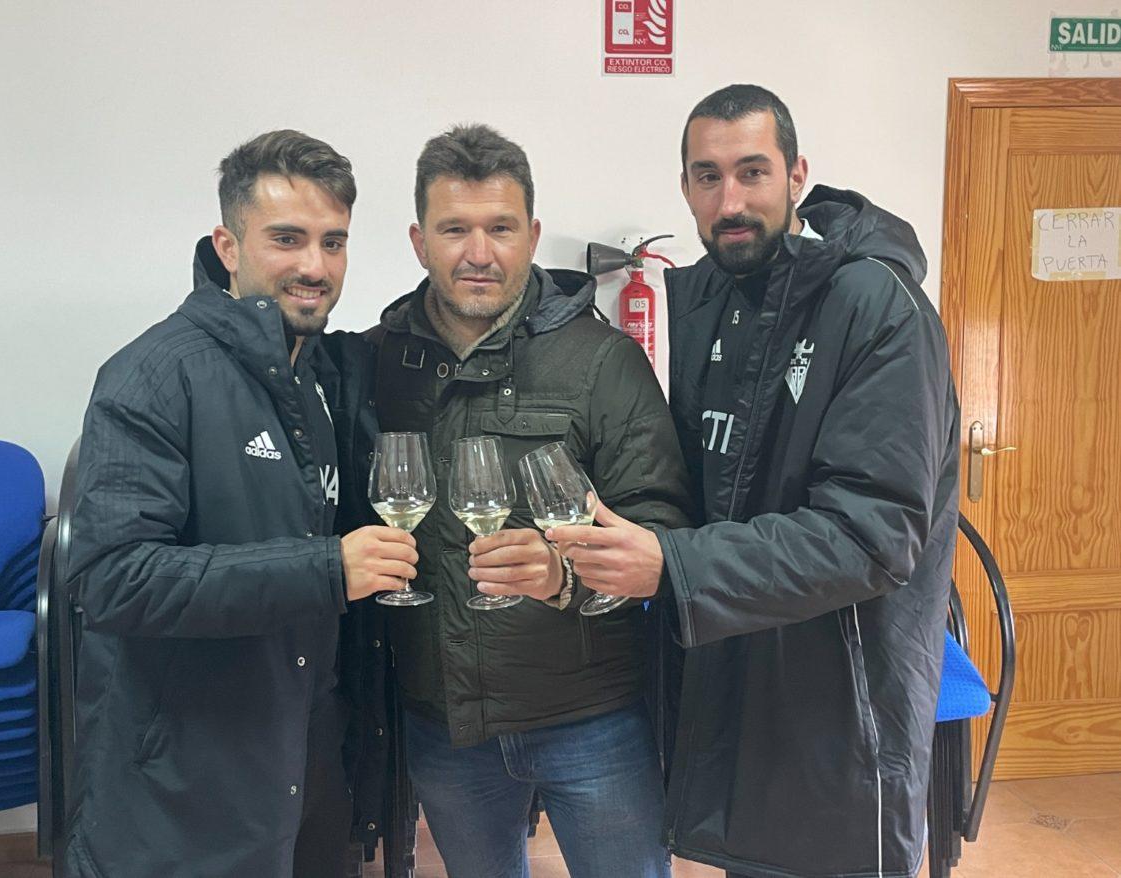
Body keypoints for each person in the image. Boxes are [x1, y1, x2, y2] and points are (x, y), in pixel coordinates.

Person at [547, 85, 961, 878]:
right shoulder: (700, 298)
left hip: (842, 713)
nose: (729, 200)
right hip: (738, 684)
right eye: (707, 176)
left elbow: (872, 537)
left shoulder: (877, 305)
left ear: (797, 174)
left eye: (752, 172)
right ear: (684, 188)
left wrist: (673, 564)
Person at [64, 130, 413, 877]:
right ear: (228, 244)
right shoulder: (151, 375)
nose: (314, 267)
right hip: (184, 790)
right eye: (287, 239)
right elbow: (113, 581)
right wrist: (324, 570)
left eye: (333, 242)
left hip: (309, 772)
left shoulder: (324, 375)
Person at [350, 123, 691, 878]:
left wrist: (564, 572)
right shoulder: (375, 360)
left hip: (592, 717)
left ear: (532, 234)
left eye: (501, 228)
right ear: (418, 240)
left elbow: (662, 529)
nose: (480, 252)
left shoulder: (603, 360)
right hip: (444, 722)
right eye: (455, 229)